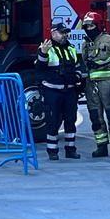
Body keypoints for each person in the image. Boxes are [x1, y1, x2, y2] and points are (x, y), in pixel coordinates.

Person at [81, 11, 110, 158]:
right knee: (95, 117)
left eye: (91, 25)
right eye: (86, 26)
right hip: (91, 86)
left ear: (99, 25)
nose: (89, 29)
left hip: (108, 85)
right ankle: (101, 146)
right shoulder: (85, 44)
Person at [36, 21, 84, 160]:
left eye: (65, 33)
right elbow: (40, 68)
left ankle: (70, 150)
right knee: (53, 121)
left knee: (71, 120)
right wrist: (43, 53)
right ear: (53, 33)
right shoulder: (46, 49)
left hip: (69, 91)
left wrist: (77, 77)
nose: (64, 35)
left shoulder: (71, 49)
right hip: (52, 92)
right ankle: (52, 151)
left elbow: (78, 67)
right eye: (61, 32)